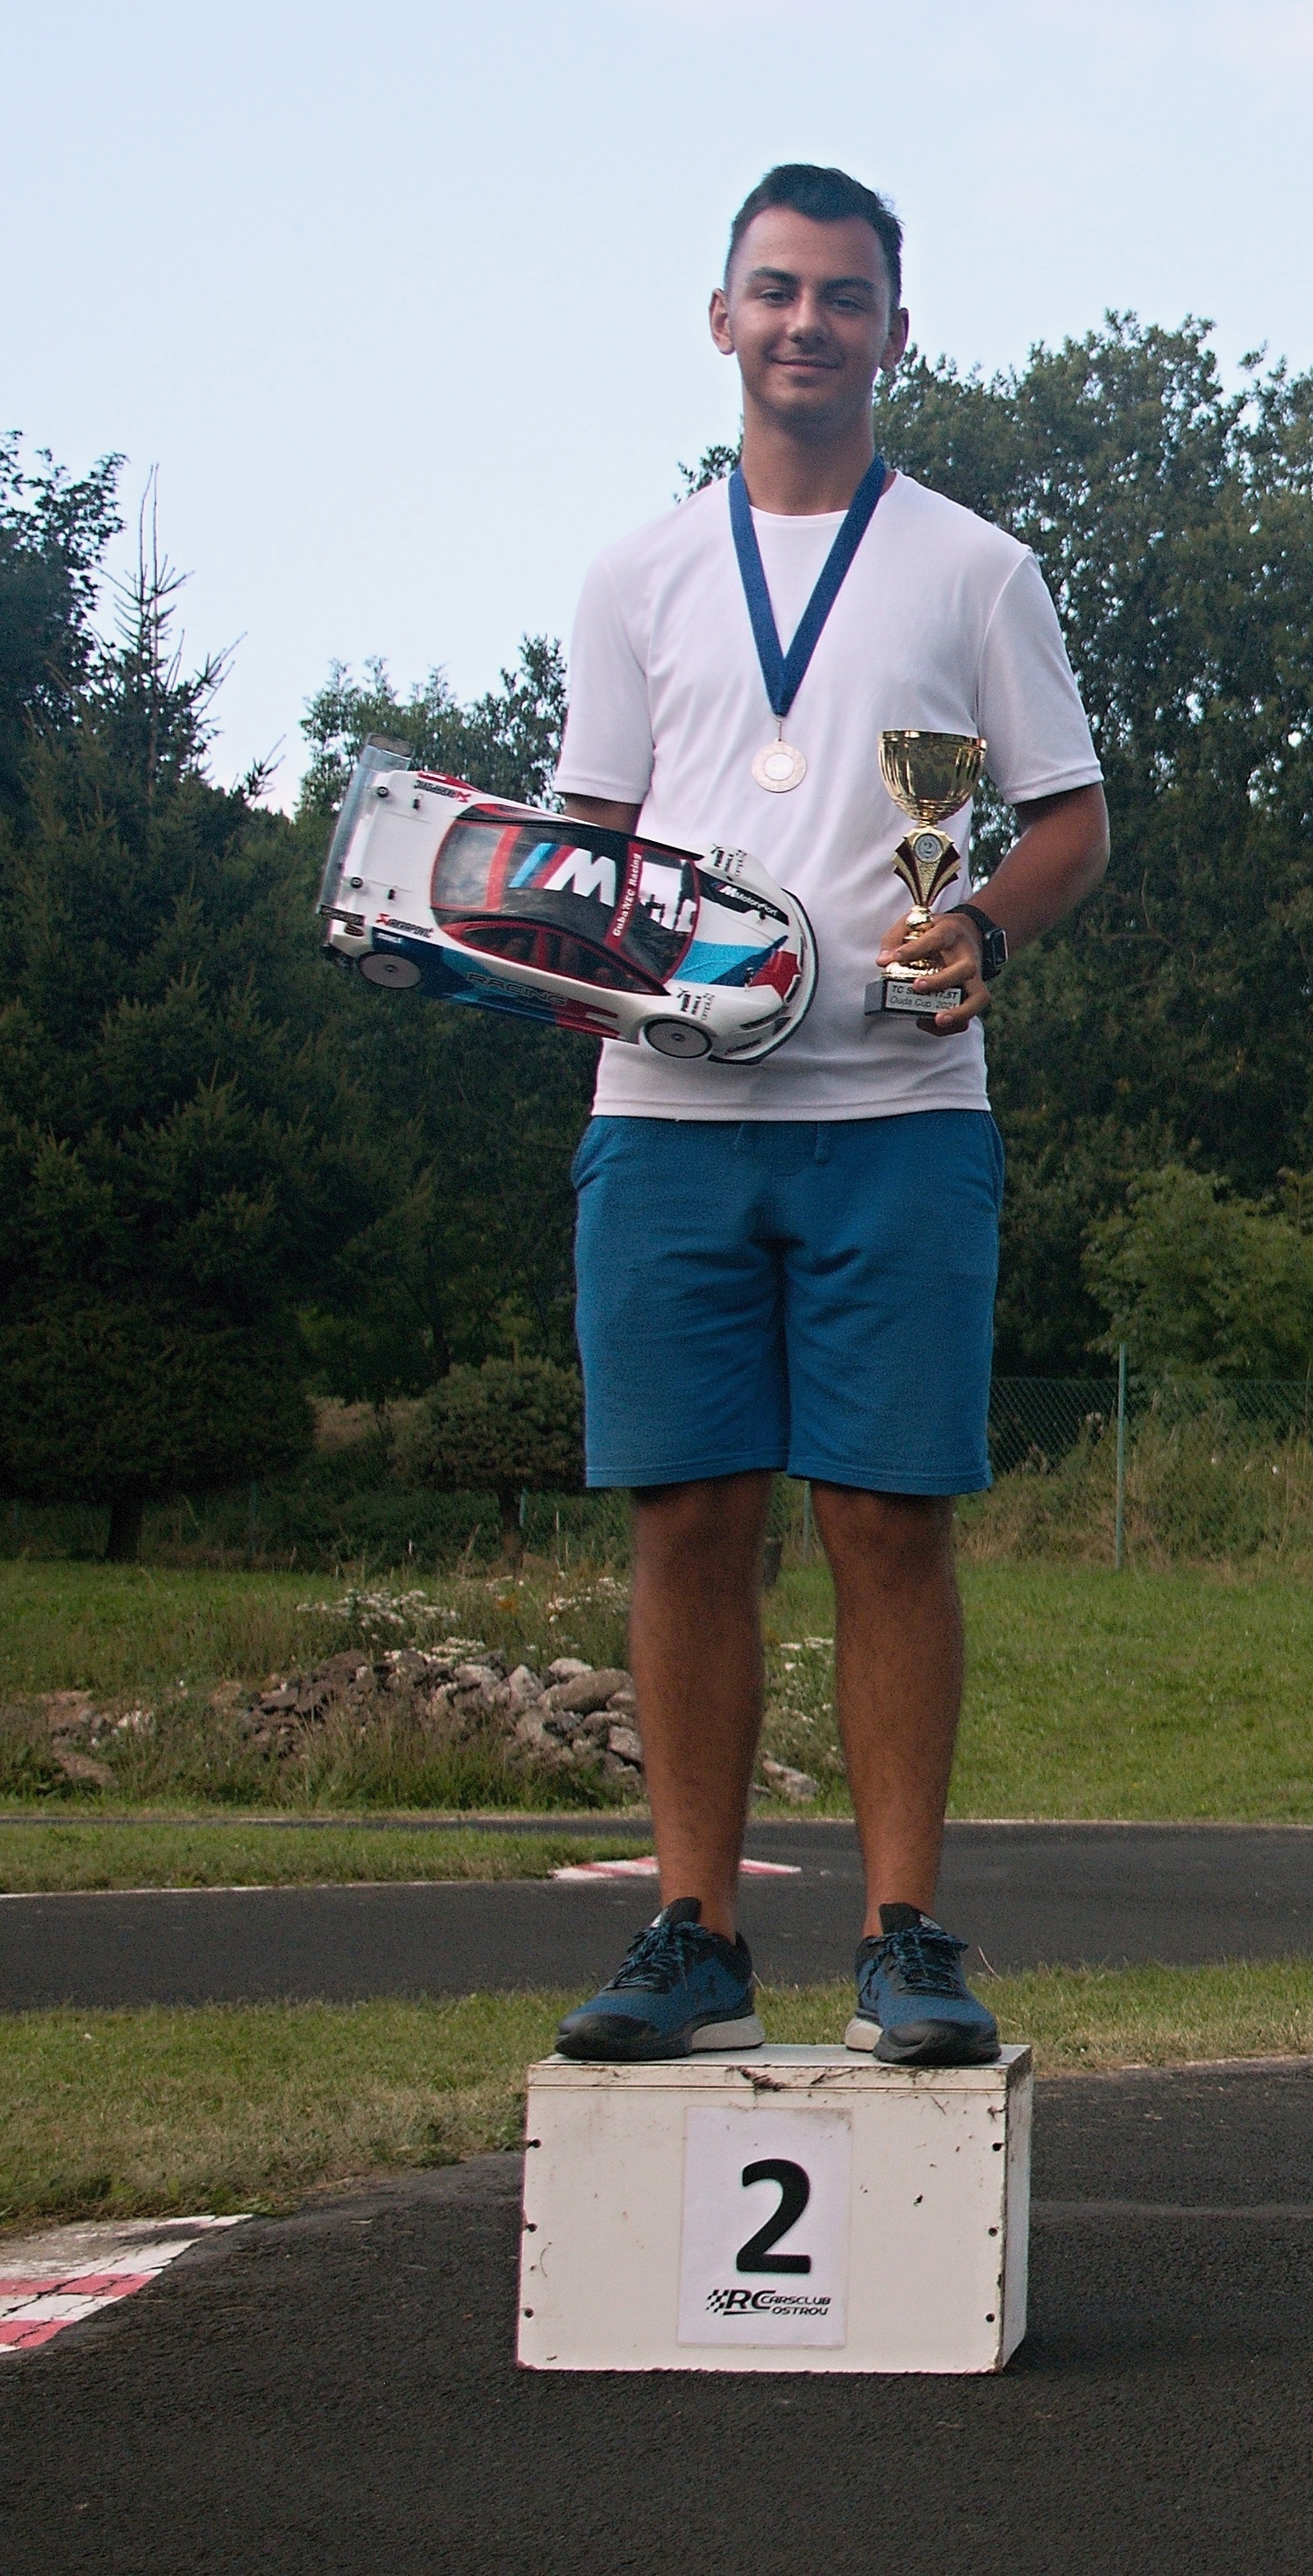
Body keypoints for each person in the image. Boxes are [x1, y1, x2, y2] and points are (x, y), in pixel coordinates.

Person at [546, 163, 1110, 2066]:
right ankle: (693, 1927)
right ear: (722, 318)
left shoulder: (975, 567)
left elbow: (1070, 822)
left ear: (894, 330)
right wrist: (566, 967)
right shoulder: (635, 573)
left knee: (886, 1518)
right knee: (690, 1516)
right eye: (776, 290)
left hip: (902, 1109)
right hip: (668, 1112)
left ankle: (902, 1934)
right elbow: (591, 843)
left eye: (844, 295)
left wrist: (985, 928)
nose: (808, 323)